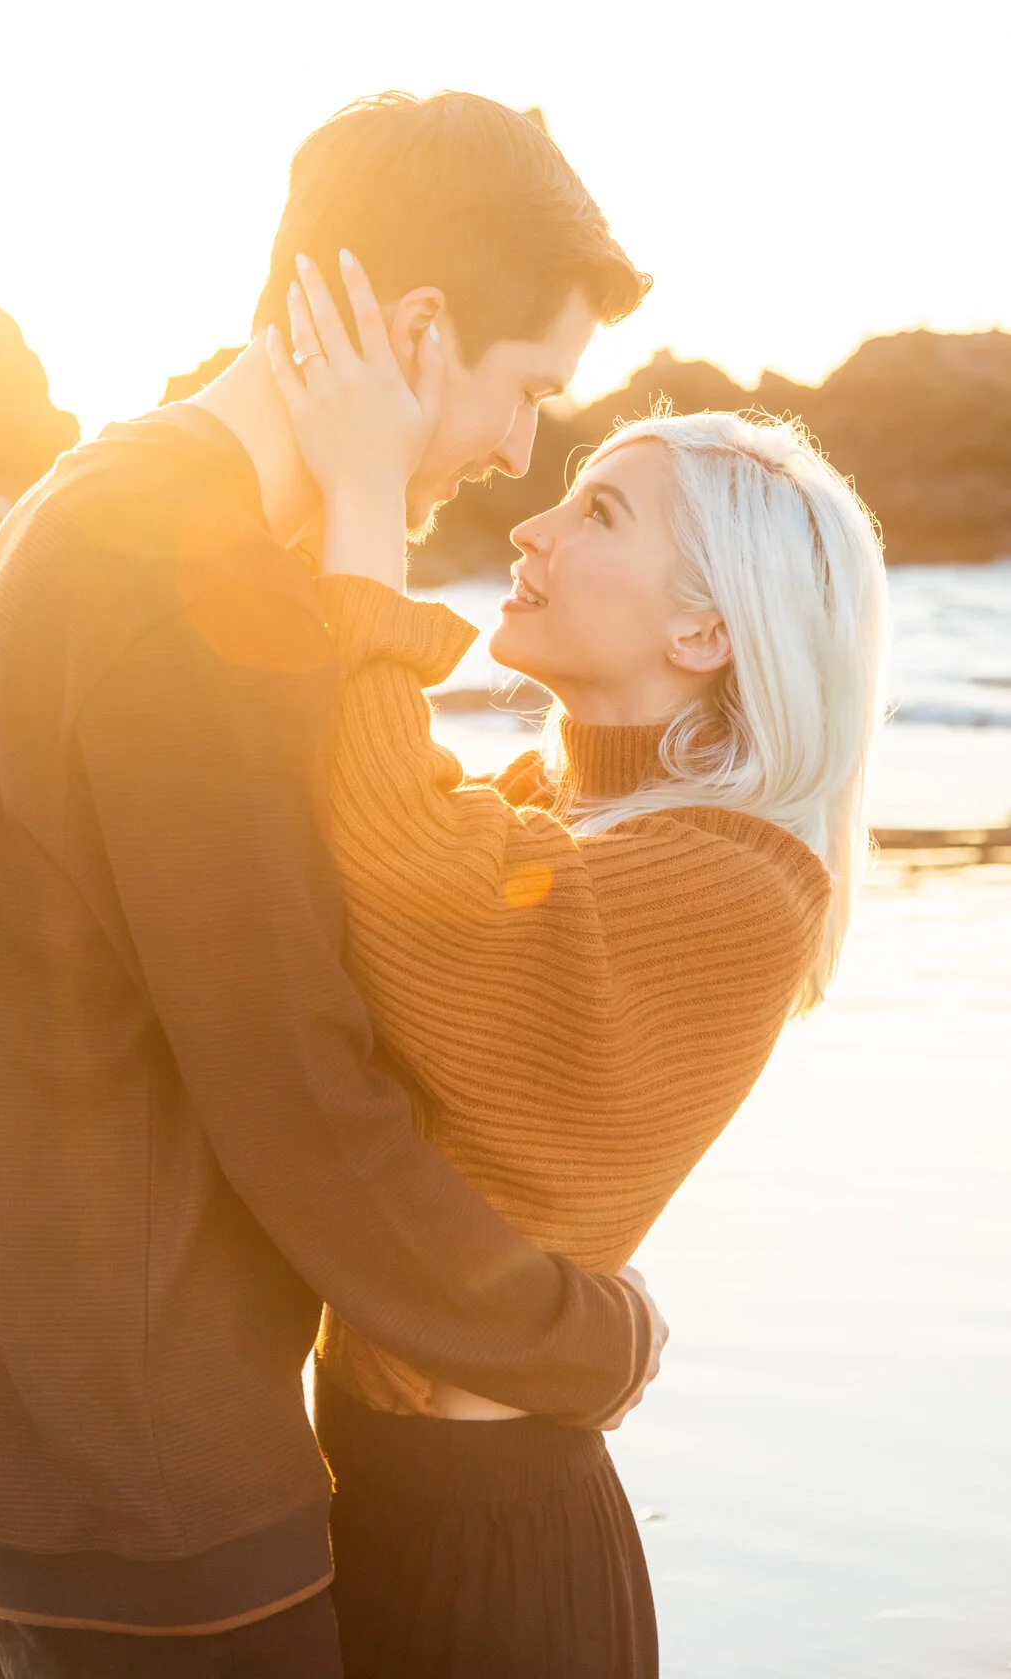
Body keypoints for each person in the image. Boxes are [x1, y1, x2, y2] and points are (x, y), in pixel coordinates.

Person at [0, 91, 664, 1677]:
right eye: (530, 389)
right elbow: (297, 1095)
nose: (516, 453)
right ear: (416, 330)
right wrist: (575, 1334)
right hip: (149, 1507)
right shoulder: (180, 591)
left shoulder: (102, 509)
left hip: (60, 1476)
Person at [266, 253, 888, 1678]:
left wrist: (367, 499)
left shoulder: (739, 883)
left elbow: (399, 873)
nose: (532, 520)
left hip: (491, 1542)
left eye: (598, 507)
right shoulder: (556, 806)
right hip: (371, 1487)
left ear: (705, 629)